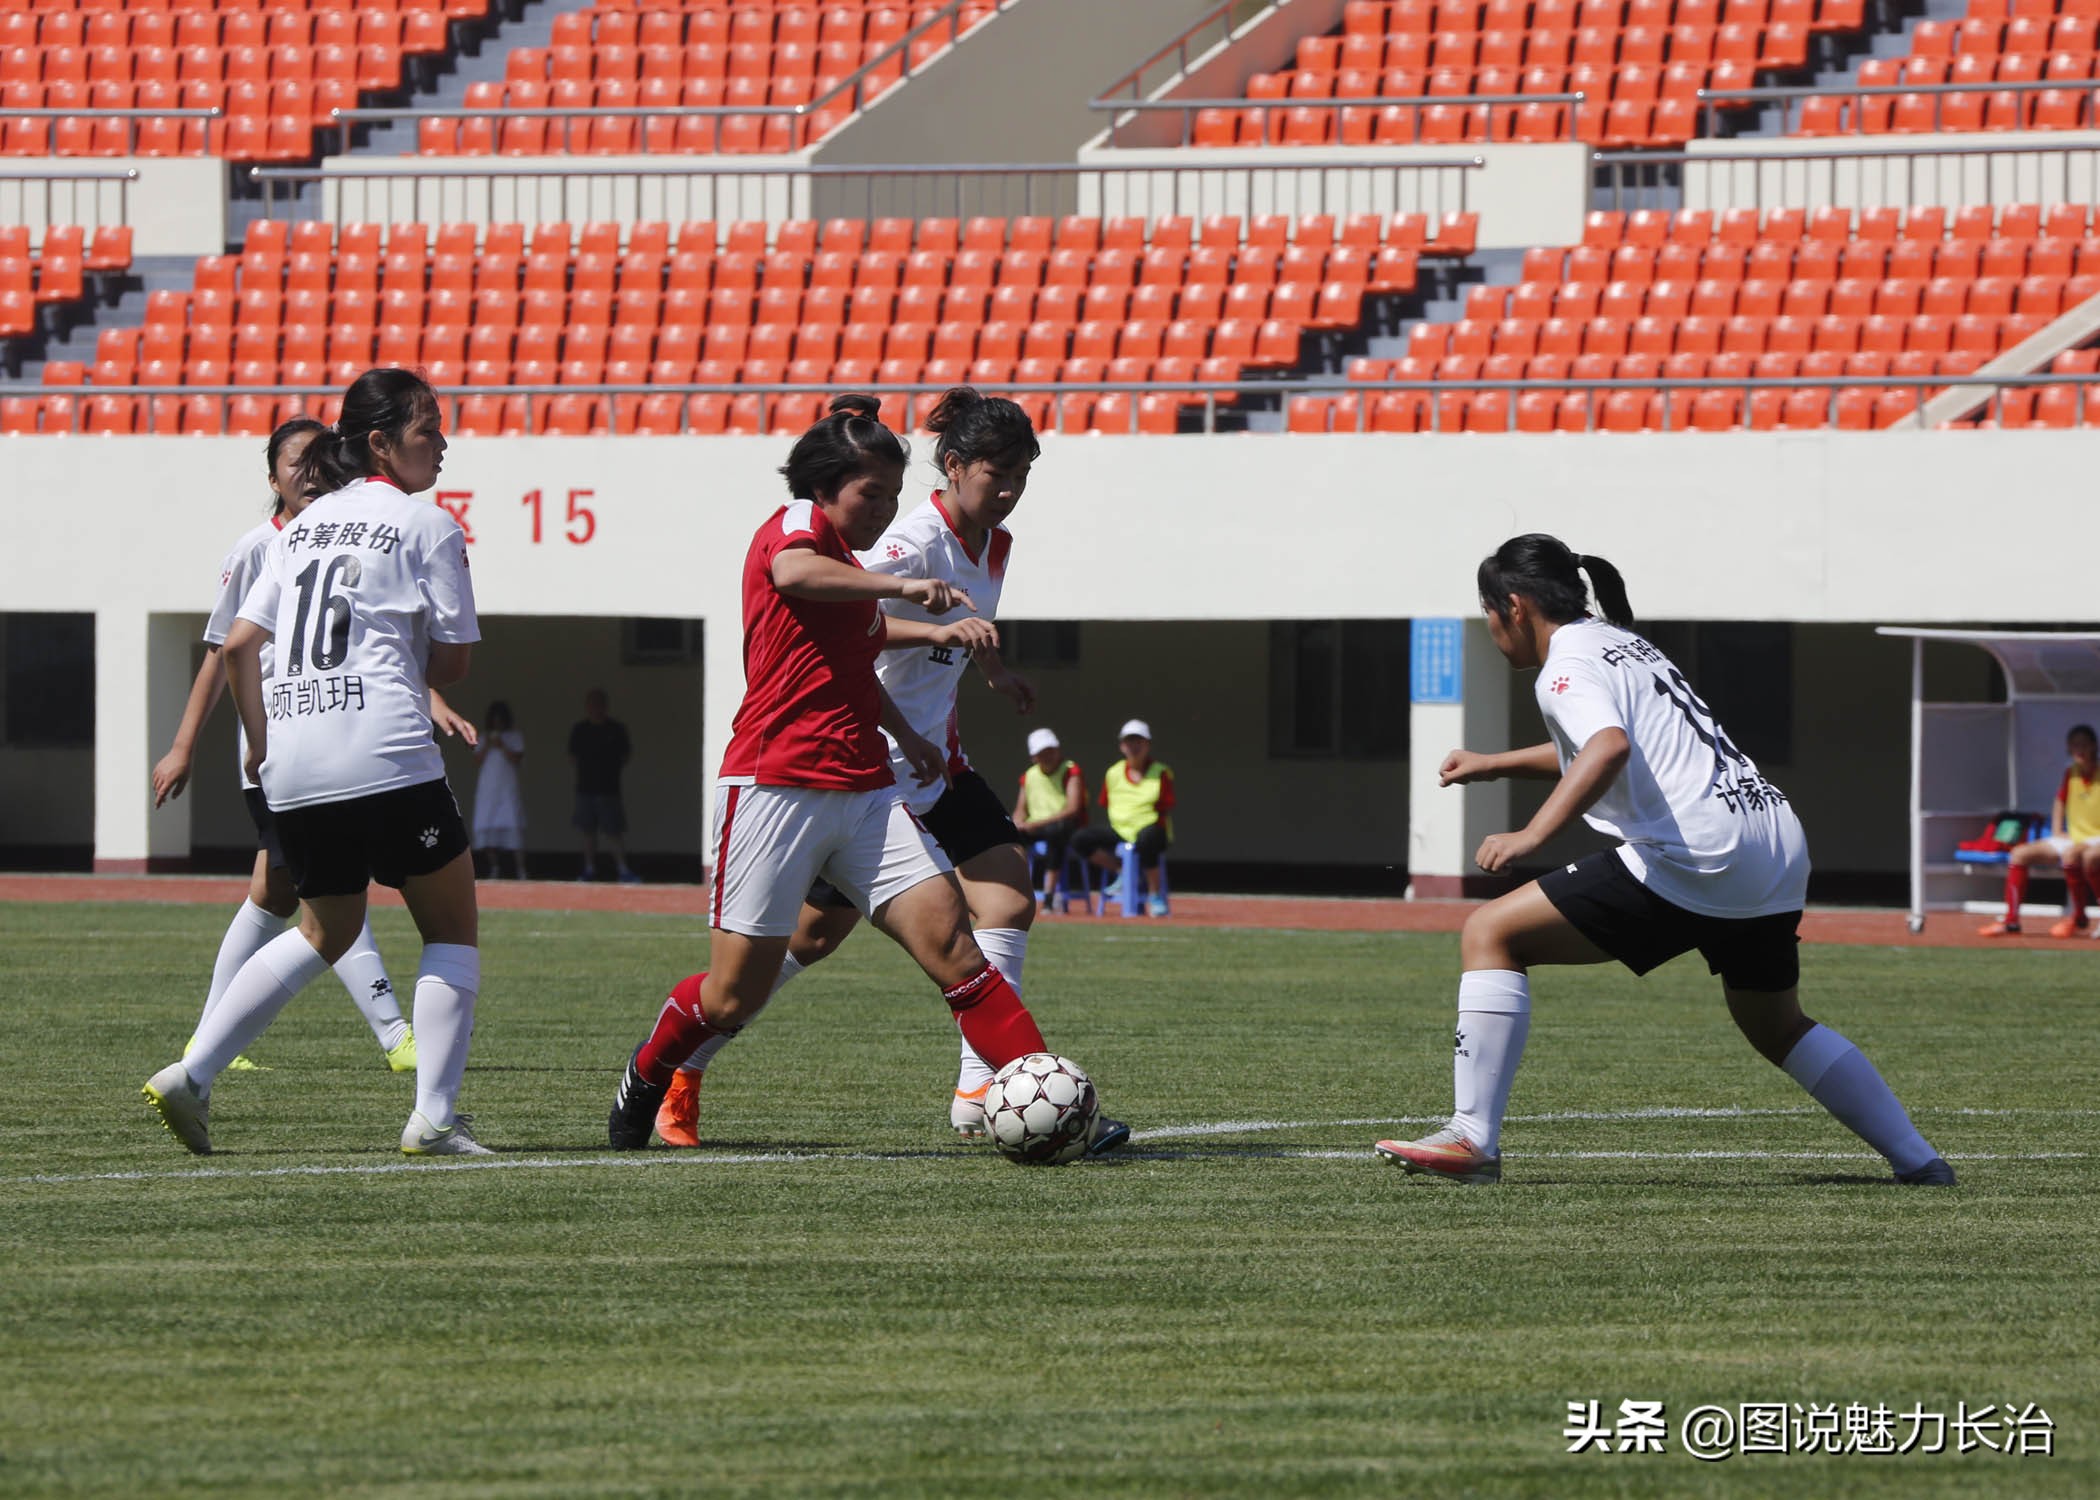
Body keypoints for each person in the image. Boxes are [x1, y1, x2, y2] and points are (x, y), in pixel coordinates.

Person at [605, 393, 1128, 1155]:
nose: (886, 510)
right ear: (824, 485)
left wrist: (910, 733)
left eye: (890, 492)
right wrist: (901, 586)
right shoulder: (797, 529)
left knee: (959, 946)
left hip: (869, 790)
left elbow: (862, 659)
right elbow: (793, 574)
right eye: (871, 493)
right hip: (776, 787)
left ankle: (1030, 1089)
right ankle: (654, 1068)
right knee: (735, 990)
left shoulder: (864, 563)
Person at [1376, 533, 1952, 1187]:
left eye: (1485, 613)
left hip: (1700, 853)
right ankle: (1918, 1159)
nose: (1489, 629)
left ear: (1513, 606)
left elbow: (1609, 747)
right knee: (1776, 1024)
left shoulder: (1564, 665)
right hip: (1773, 840)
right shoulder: (1620, 643)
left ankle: (1471, 1139)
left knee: (1490, 931)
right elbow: (1604, 748)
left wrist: (1530, 836)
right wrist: (1493, 764)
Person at [141, 368, 489, 1158]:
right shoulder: (424, 522)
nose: (443, 441)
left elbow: (236, 646)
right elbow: (457, 664)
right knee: (451, 926)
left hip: (294, 761)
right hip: (385, 751)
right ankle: (433, 1117)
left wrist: (262, 745)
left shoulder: (298, 527)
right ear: (380, 442)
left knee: (325, 926)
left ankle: (193, 1072)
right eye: (429, 427)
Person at [1978, 723, 2100, 939]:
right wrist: (2056, 829)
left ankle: (2079, 916)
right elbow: (2060, 801)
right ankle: (2011, 921)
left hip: (2095, 838)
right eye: (2074, 746)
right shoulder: (2070, 774)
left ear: (2093, 746)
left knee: (2084, 855)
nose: (2079, 750)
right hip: (2075, 837)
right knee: (2019, 854)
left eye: (2083, 745)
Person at [1071, 719, 1175, 916]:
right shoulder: (1114, 772)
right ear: (1121, 746)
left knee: (1148, 840)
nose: (1134, 746)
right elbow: (1105, 802)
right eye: (1129, 741)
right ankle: (1124, 873)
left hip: (1150, 828)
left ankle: (1155, 895)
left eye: (1139, 741)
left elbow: (1165, 807)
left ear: (1148, 745)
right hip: (1120, 829)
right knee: (1080, 839)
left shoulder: (1161, 772)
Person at [568, 688, 639, 883]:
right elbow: (572, 757)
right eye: (592, 704)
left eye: (599, 704)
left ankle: (623, 869)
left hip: (609, 789)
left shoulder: (615, 730)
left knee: (613, 831)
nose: (595, 708)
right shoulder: (580, 730)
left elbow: (625, 755)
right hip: (585, 788)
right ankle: (589, 868)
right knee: (587, 831)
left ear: (605, 706)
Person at [1013, 725, 1086, 913]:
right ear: (1033, 757)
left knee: (1057, 835)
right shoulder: (1028, 776)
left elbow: (1073, 809)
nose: (1048, 756)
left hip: (1062, 826)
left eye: (1051, 750)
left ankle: (1049, 896)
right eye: (1042, 752)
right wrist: (1017, 824)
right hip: (1036, 827)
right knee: (1009, 837)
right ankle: (1015, 891)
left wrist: (1036, 824)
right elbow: (1020, 810)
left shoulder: (1070, 770)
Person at [472, 700, 529, 880]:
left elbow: (517, 759)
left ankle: (521, 869)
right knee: (487, 823)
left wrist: (502, 745)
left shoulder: (514, 737)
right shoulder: (483, 738)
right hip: (488, 789)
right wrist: (489, 743)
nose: (497, 722)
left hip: (507, 787)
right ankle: (494, 867)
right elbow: (477, 760)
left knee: (512, 822)